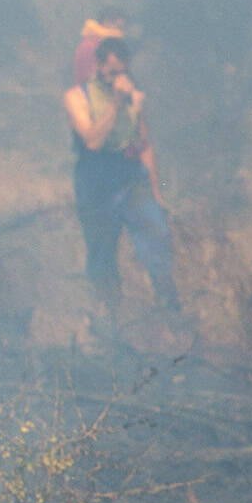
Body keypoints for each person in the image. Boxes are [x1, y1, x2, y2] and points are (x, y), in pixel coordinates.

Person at [65, 37, 179, 311]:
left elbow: (144, 144)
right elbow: (92, 141)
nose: (118, 78)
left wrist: (157, 190)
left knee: (157, 235)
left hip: (129, 176)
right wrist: (115, 104)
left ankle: (170, 309)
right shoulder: (76, 97)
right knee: (102, 252)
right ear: (99, 66)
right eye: (112, 72)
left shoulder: (134, 97)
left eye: (123, 72)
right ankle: (109, 318)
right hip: (95, 182)